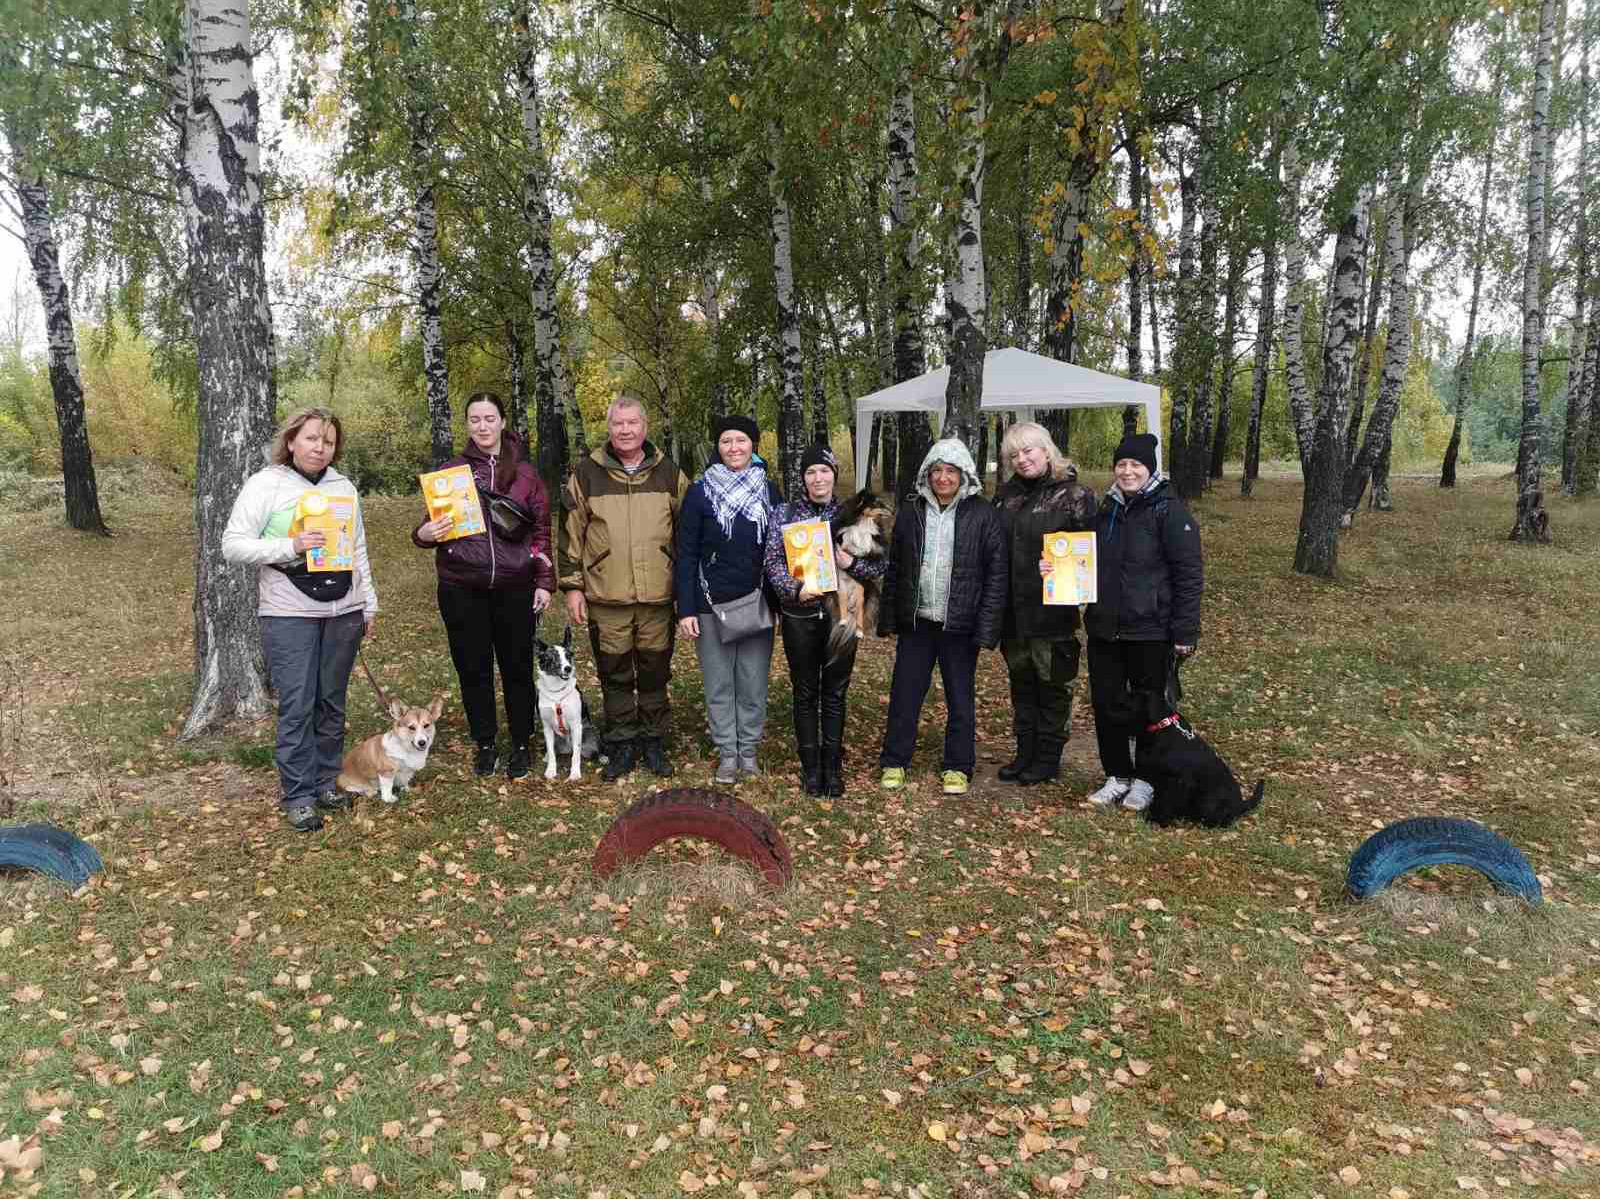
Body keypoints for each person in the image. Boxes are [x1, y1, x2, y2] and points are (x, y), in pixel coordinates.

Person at [221, 407, 377, 832]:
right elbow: (233, 545)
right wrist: (290, 545)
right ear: (292, 441)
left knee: (331, 702)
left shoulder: (343, 487)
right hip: (289, 612)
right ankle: (298, 794)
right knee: (297, 705)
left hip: (343, 609)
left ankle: (327, 781)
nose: (319, 447)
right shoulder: (265, 484)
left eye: (327, 441)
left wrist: (369, 603)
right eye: (311, 438)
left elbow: (358, 548)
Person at [413, 392, 554, 780]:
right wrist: (424, 533)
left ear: (503, 422)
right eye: (475, 419)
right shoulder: (451, 473)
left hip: (515, 585)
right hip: (462, 586)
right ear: (467, 424)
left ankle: (522, 742)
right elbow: (429, 528)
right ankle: (486, 742)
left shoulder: (526, 475)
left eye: (489, 418)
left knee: (517, 666)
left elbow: (542, 532)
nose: (482, 426)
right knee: (472, 668)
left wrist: (544, 581)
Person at [560, 393, 689, 780]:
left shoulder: (670, 473)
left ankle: (653, 741)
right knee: (614, 674)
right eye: (619, 423)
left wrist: (686, 588)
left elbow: (688, 533)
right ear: (610, 428)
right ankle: (621, 744)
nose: (626, 430)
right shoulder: (586, 473)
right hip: (606, 595)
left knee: (654, 673)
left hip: (657, 596)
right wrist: (572, 586)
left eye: (633, 423)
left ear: (645, 427)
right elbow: (569, 534)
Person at [877, 438, 1006, 796]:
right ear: (927, 474)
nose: (943, 478)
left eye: (951, 471)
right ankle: (894, 761)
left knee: (960, 697)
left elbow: (996, 574)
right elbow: (896, 568)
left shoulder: (983, 515)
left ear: (963, 474)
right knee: (905, 694)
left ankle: (958, 766)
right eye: (937, 470)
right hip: (918, 622)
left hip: (960, 625)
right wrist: (889, 618)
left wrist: (987, 627)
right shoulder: (911, 511)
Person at [1083, 432, 1203, 812]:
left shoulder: (1169, 511)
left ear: (1149, 469)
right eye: (1121, 464)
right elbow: (1084, 560)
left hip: (1151, 629)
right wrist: (1056, 568)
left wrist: (1185, 631)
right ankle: (1117, 775)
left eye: (1136, 465)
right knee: (1107, 704)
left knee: (1153, 710)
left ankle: (1147, 780)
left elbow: (1188, 574)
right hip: (1105, 628)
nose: (1128, 471)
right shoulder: (1107, 511)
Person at [763, 443, 887, 797]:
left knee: (835, 691)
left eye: (824, 471)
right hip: (799, 614)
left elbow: (880, 565)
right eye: (811, 472)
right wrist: (794, 588)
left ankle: (832, 765)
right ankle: (810, 767)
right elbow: (772, 560)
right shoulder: (785, 514)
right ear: (802, 478)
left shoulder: (855, 515)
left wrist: (851, 565)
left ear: (834, 475)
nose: (818, 478)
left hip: (844, 613)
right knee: (805, 692)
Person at [676, 415, 782, 785]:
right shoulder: (699, 493)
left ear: (753, 445)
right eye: (726, 442)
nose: (734, 448)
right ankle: (727, 753)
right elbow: (686, 553)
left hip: (757, 603)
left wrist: (782, 602)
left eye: (741, 440)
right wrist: (686, 608)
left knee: (752, 682)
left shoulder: (770, 491)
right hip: (709, 606)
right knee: (719, 684)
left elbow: (781, 550)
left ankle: (749, 752)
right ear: (717, 448)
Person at [994, 422, 1097, 786]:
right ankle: (1025, 751)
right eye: (1014, 455)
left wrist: (1063, 565)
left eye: (1029, 451)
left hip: (1053, 614)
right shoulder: (1005, 497)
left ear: (1047, 449)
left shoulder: (1075, 496)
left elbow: (1092, 556)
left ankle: (1048, 757)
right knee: (1021, 684)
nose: (1022, 460)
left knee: (1053, 686)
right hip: (1013, 613)